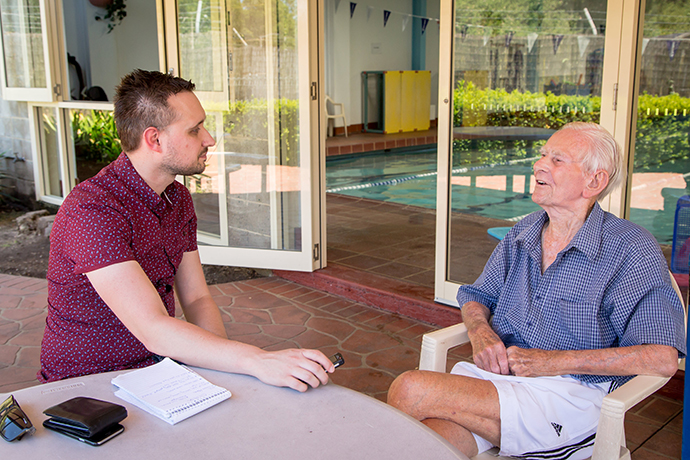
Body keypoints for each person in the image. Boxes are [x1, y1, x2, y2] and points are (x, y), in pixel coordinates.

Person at [387, 122, 686, 459]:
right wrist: (480, 332)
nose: (539, 165)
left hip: (570, 395)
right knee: (424, 447)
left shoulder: (630, 249)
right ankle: (547, 449)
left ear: (595, 181)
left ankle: (571, 442)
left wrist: (552, 362)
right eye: (543, 155)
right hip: (501, 384)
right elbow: (476, 296)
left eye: (557, 160)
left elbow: (662, 358)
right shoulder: (524, 232)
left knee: (410, 389)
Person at [39, 69, 334, 391]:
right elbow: (152, 328)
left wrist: (223, 372)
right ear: (154, 139)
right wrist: (254, 360)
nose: (209, 139)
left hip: (156, 370)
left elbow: (196, 298)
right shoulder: (93, 211)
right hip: (87, 383)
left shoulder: (176, 197)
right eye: (195, 130)